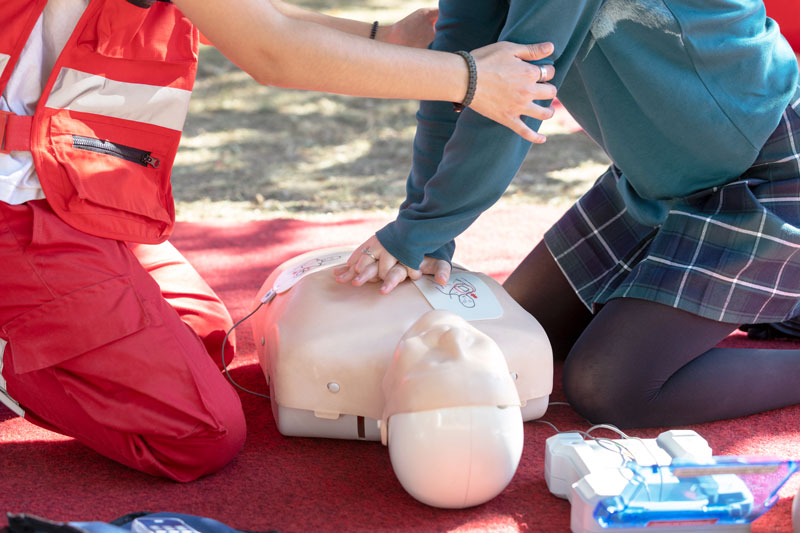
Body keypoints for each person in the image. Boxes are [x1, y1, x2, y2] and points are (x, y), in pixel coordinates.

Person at [0, 0, 558, 481]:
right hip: (16, 205)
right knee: (199, 433)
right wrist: (469, 78)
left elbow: (250, 16)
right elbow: (272, 51)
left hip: (70, 194)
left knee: (205, 336)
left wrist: (386, 39)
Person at [335, 0, 800, 429]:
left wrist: (417, 231)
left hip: (771, 168)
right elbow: (459, 79)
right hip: (656, 180)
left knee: (609, 386)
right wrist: (426, 229)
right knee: (519, 337)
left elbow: (519, 89)